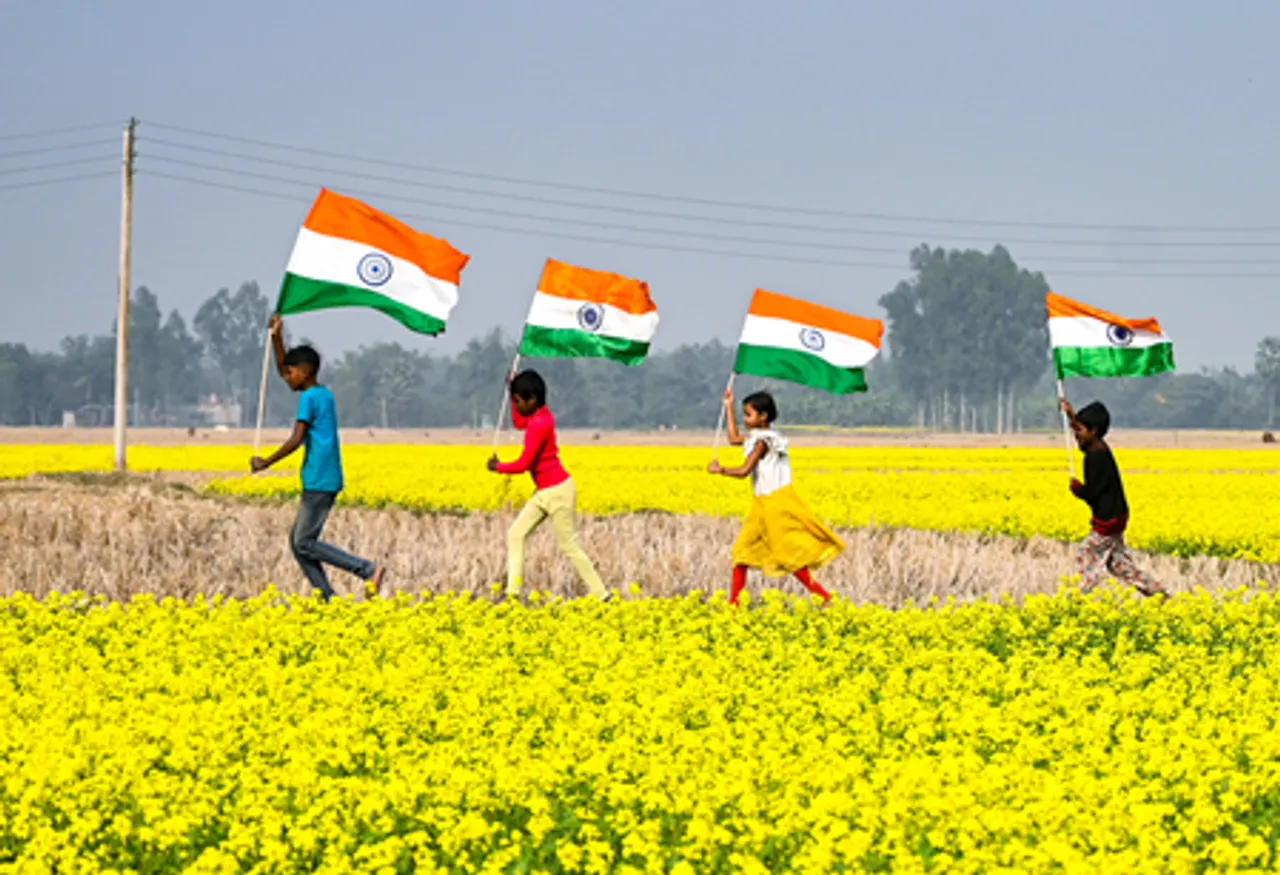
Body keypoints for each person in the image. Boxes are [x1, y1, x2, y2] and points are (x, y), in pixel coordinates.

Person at [250, 314, 385, 600]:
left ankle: (366, 570)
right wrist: (277, 338)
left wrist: (266, 462)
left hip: (320, 478)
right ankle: (327, 597)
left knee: (304, 541)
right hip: (323, 475)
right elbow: (281, 367)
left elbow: (297, 438)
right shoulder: (322, 393)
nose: (286, 378)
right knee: (298, 543)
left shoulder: (309, 399)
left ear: (304, 371)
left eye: (290, 373)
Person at [708, 389, 843, 605]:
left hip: (775, 504)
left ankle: (823, 597)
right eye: (744, 414)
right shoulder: (758, 437)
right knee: (742, 554)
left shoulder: (764, 442)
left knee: (788, 556)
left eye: (748, 415)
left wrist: (720, 470)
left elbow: (744, 471)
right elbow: (733, 439)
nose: (745, 419)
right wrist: (728, 406)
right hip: (762, 505)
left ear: (763, 417)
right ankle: (733, 607)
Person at [487, 369, 610, 601]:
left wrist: (499, 467)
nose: (516, 405)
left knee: (569, 546)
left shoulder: (539, 425)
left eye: (518, 401)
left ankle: (603, 595)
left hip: (558, 492)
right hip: (544, 492)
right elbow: (518, 421)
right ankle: (513, 593)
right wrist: (511, 388)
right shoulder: (539, 415)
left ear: (531, 400)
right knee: (516, 534)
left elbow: (524, 464)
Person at [1059, 397, 1166, 598]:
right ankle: (1158, 594)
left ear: (1094, 431)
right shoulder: (1098, 446)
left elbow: (1094, 493)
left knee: (1086, 555)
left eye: (1080, 429)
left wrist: (1078, 490)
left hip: (1107, 519)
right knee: (1118, 566)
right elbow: (1083, 439)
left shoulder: (1095, 457)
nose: (1076, 433)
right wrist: (1070, 416)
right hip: (1117, 515)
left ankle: (1078, 598)